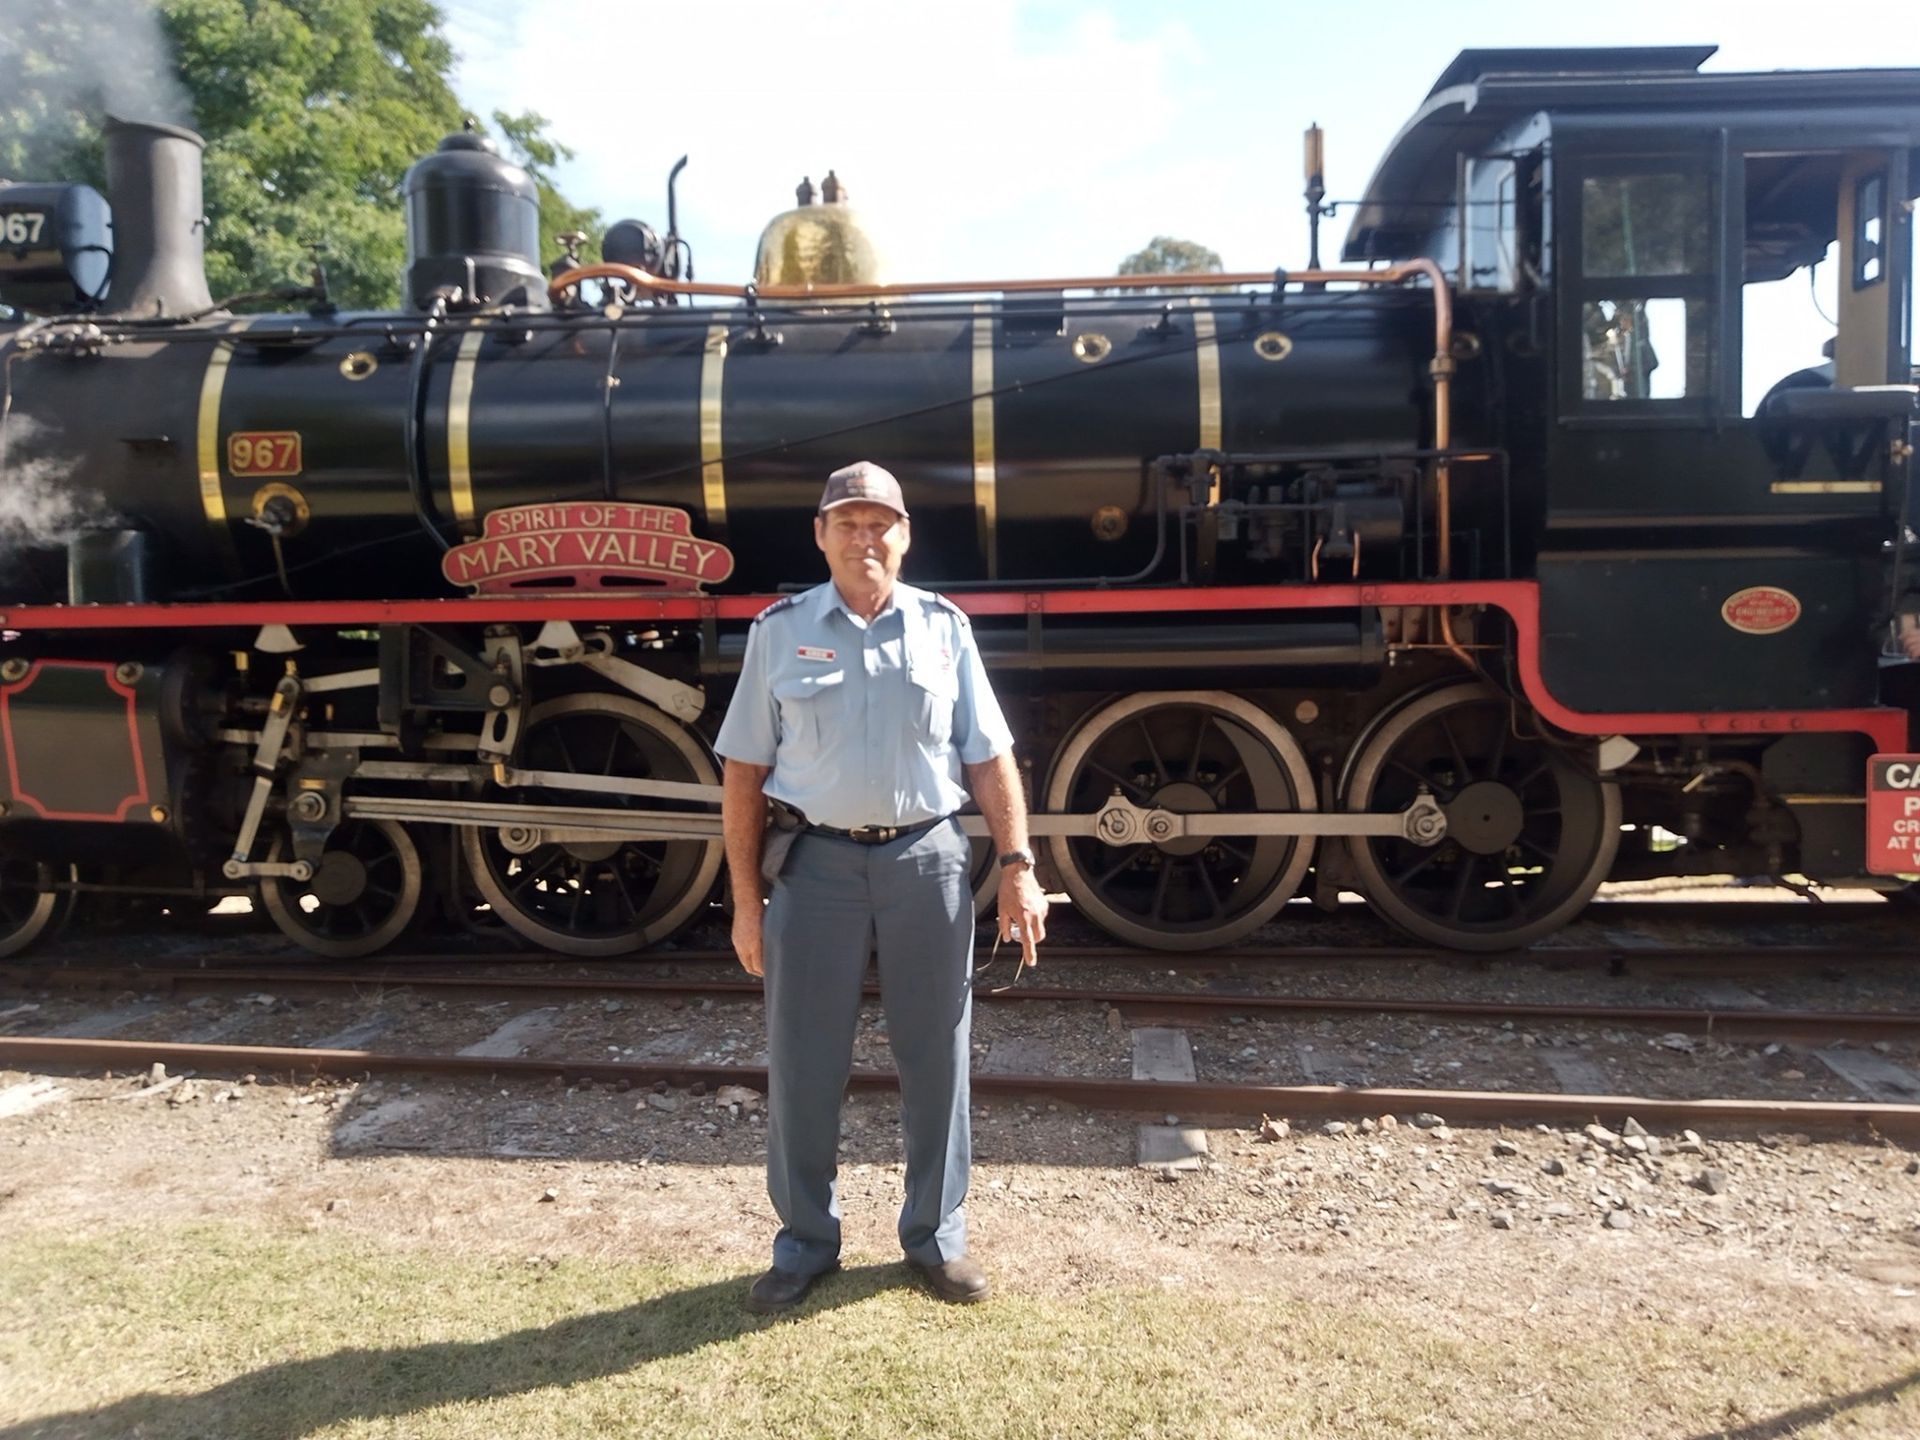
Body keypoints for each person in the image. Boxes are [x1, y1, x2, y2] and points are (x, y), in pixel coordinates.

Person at [714, 459, 1048, 1314]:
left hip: (926, 863)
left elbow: (989, 756)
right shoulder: (778, 632)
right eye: (848, 524)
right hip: (813, 867)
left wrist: (1018, 866)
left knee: (936, 1053)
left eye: (881, 525)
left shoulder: (945, 628)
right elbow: (745, 774)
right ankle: (804, 1245)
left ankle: (936, 1238)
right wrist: (747, 904)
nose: (866, 539)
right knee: (801, 1060)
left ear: (904, 536)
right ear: (821, 536)